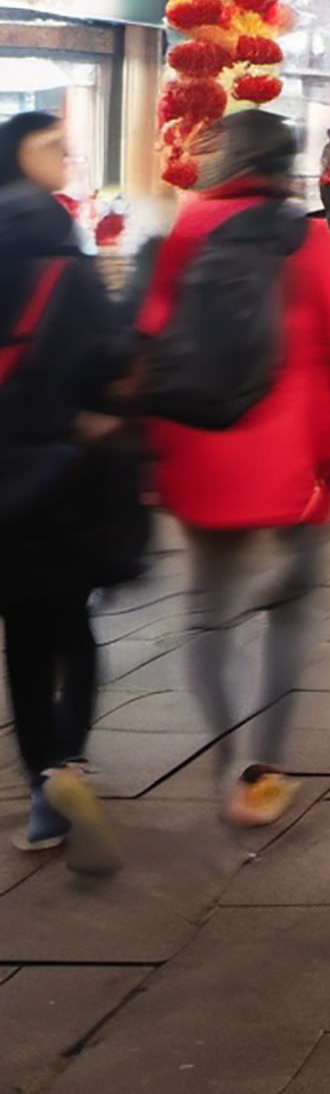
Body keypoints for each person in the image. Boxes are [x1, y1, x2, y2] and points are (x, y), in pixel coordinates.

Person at [142, 111, 330, 830]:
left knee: (208, 612)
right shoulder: (307, 239)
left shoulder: (188, 231)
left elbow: (153, 336)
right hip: (292, 455)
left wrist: (152, 447)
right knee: (293, 610)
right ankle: (265, 769)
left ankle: (226, 766)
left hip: (199, 446)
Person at [0, 112, 130, 872]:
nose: (69, 157)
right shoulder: (65, 263)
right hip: (63, 473)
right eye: (54, 147)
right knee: (72, 625)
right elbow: (113, 358)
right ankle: (66, 765)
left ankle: (43, 791)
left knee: (22, 635)